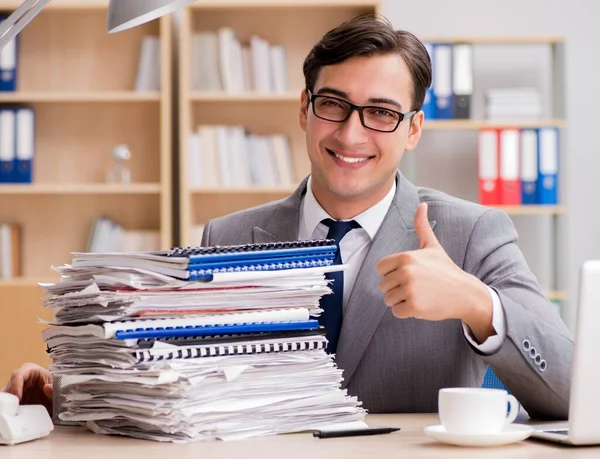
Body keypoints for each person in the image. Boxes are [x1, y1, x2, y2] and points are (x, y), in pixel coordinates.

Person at [3, 14, 572, 420]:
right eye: (333, 105)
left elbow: (573, 390)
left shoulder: (471, 232)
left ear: (413, 129)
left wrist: (477, 303)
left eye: (380, 113)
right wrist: (70, 390)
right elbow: (181, 378)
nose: (351, 134)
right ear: (304, 109)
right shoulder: (227, 237)